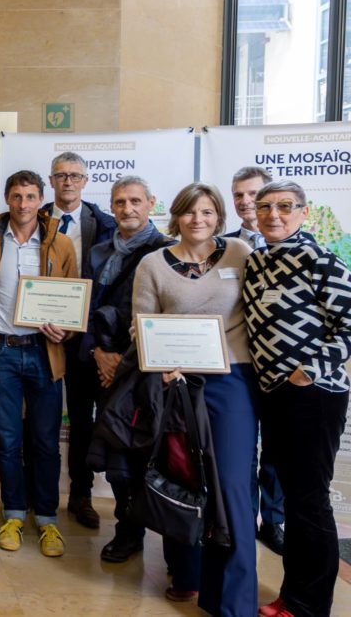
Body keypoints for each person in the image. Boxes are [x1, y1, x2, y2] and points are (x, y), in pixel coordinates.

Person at [133, 182, 257, 611]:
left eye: (207, 212)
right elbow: (140, 325)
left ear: (218, 216)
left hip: (232, 380)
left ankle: (235, 603)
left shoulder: (240, 253)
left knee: (233, 486)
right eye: (189, 211)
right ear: (176, 217)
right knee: (185, 479)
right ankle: (190, 577)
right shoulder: (152, 264)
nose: (198, 220)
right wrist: (160, 364)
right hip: (177, 385)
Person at [243, 180, 351, 617]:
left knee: (309, 500)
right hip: (273, 395)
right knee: (292, 498)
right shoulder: (256, 261)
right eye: (265, 206)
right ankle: (292, 595)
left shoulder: (320, 259)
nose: (274, 214)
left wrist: (310, 371)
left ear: (304, 212)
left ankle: (310, 606)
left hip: (314, 396)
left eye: (285, 206)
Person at [0, 170, 77, 558]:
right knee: (8, 439)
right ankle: (14, 513)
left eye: (30, 196)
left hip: (44, 352)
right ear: (7, 198)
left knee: (45, 440)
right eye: (16, 196)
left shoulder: (60, 243)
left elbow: (73, 297)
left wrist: (66, 330)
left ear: (40, 199)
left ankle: (47, 518)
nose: (23, 204)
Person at [85, 175, 173, 563]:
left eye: (135, 201)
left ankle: (162, 534)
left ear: (151, 203)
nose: (127, 208)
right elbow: (85, 306)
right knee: (116, 453)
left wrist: (123, 360)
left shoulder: (166, 252)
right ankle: (128, 530)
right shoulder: (98, 251)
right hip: (101, 364)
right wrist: (98, 353)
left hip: (143, 369)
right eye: (120, 202)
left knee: (144, 452)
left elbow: (165, 313)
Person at [41, 151, 115, 529]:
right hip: (41, 334)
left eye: (74, 175)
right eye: (60, 175)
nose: (67, 181)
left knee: (84, 420)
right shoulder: (33, 219)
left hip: (87, 339)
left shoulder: (104, 225)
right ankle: (40, 495)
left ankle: (81, 495)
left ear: (85, 181)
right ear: (50, 181)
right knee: (41, 418)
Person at [225, 165, 285, 556]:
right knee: (241, 448)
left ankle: (274, 519)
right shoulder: (224, 247)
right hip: (237, 363)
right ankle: (243, 518)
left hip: (279, 366)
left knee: (277, 446)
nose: (246, 202)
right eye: (239, 195)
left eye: (254, 194)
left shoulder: (292, 245)